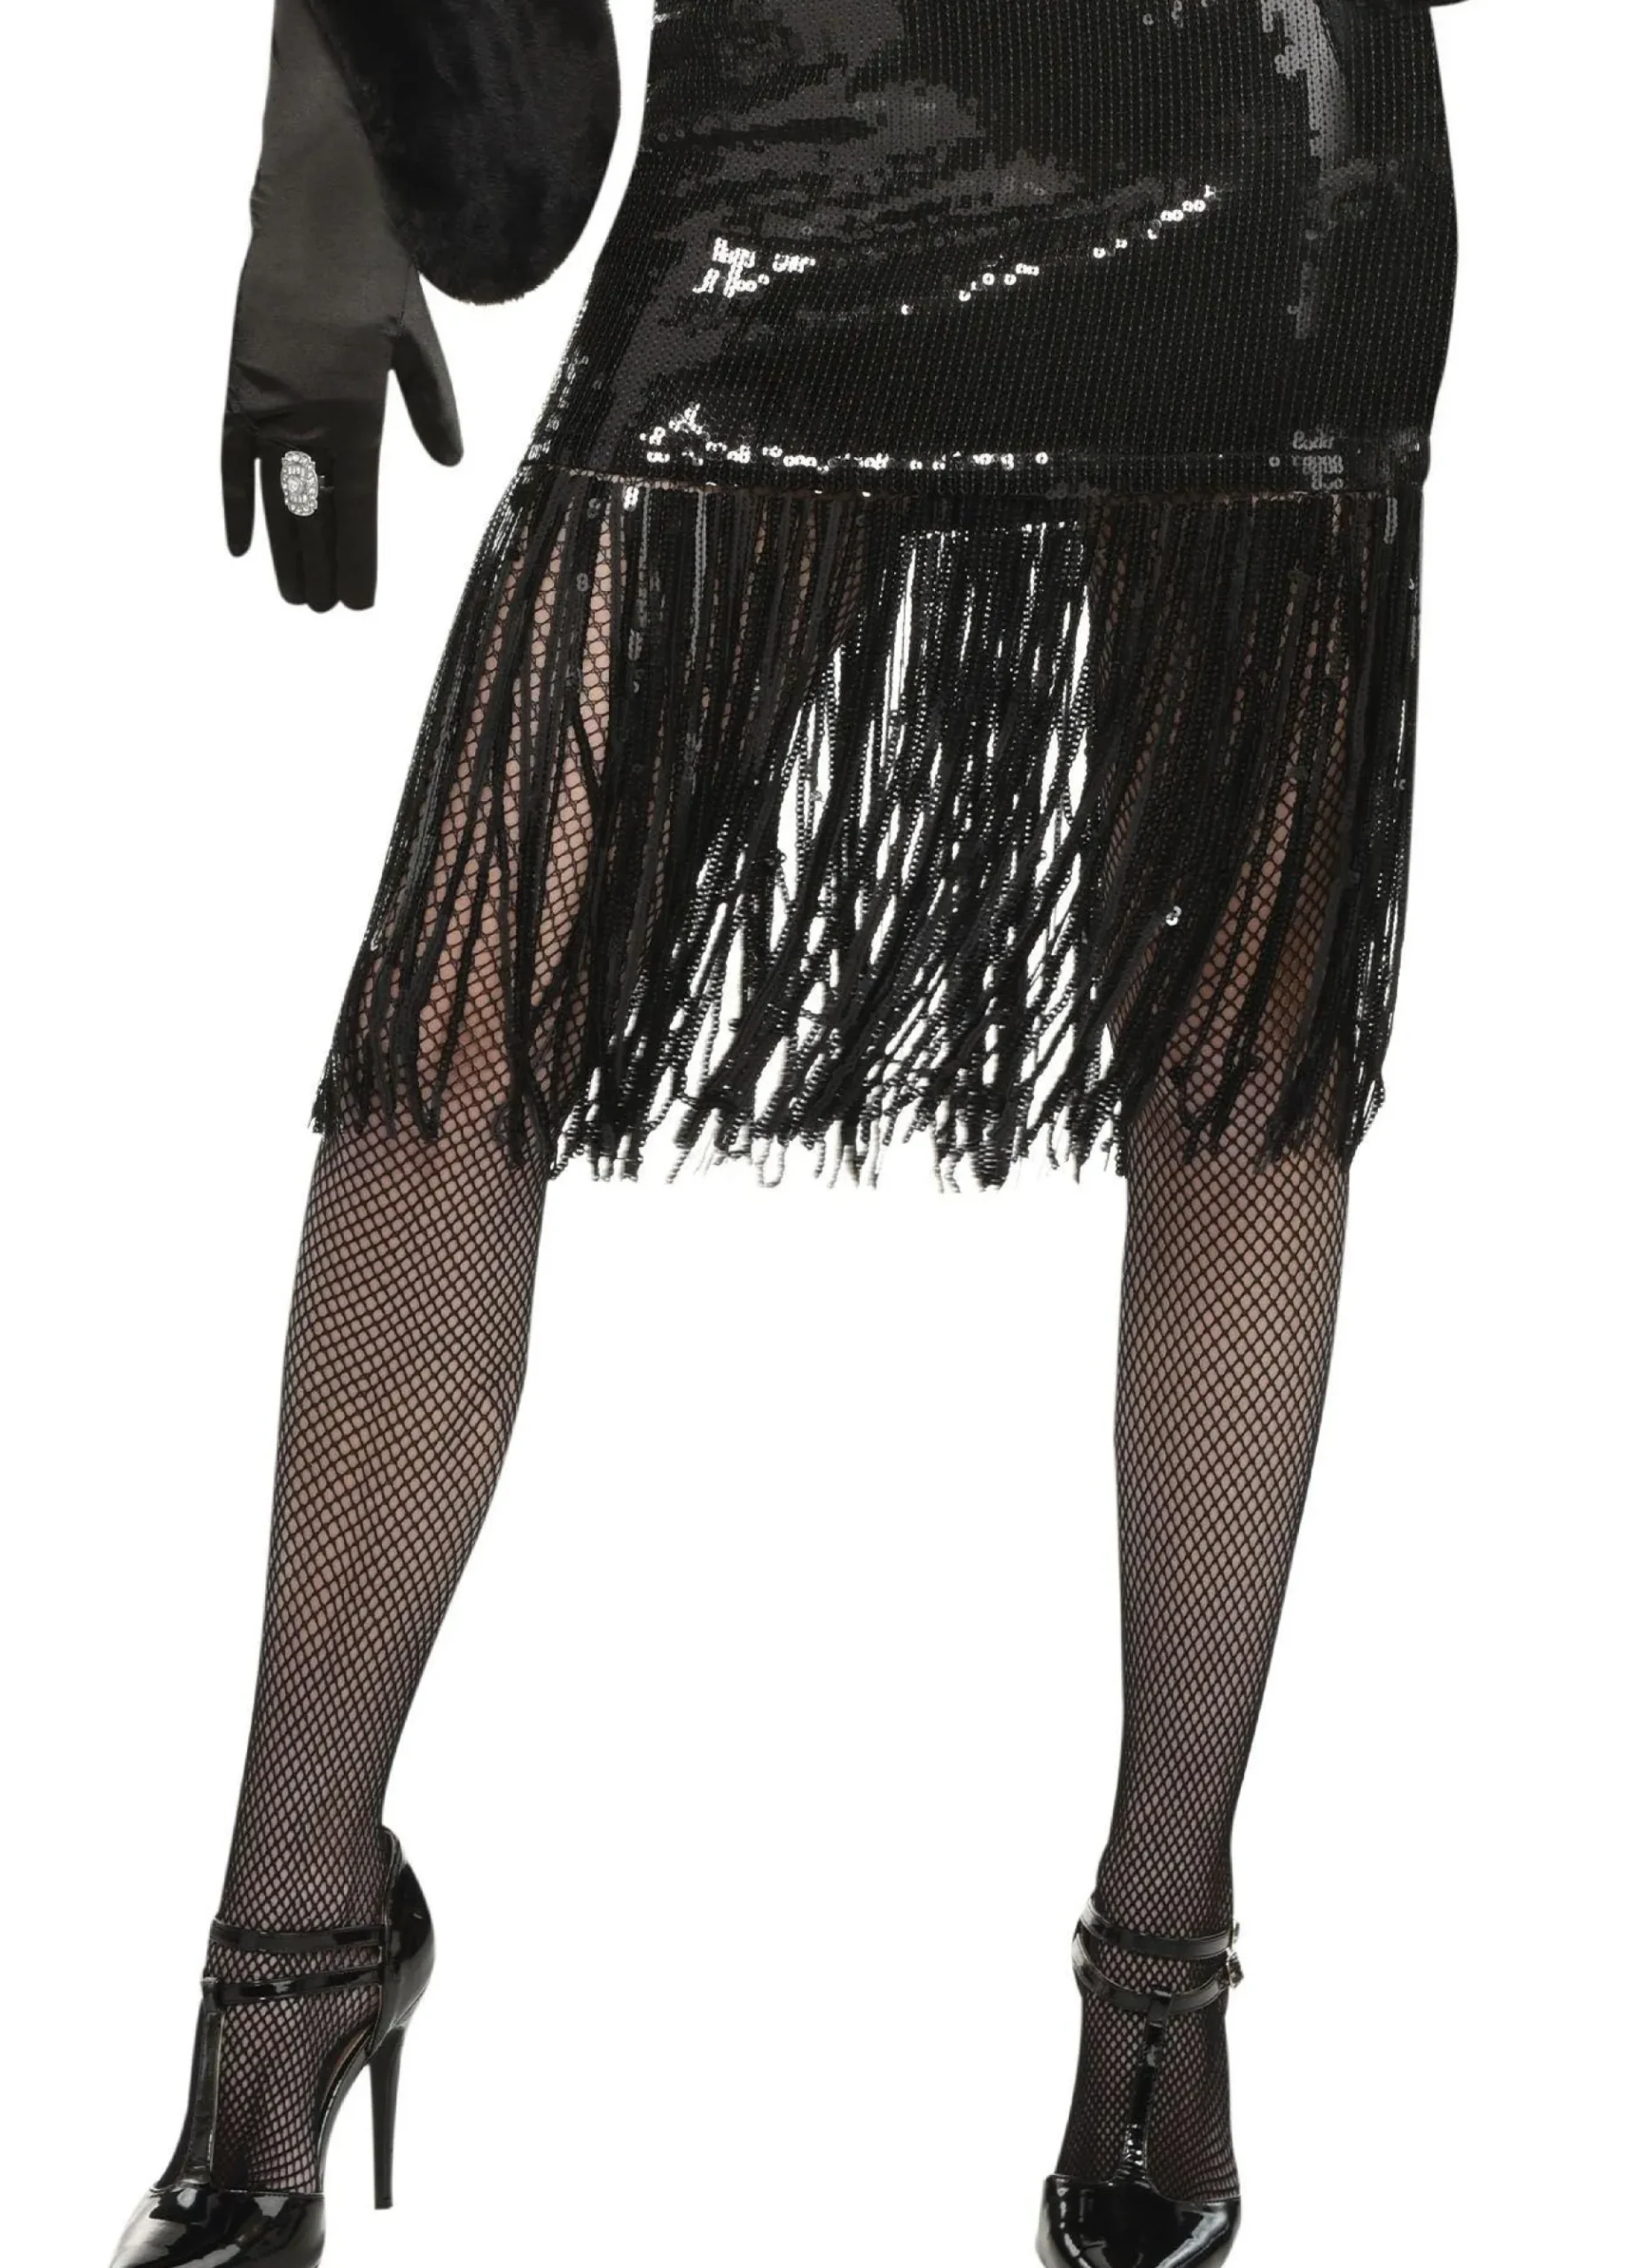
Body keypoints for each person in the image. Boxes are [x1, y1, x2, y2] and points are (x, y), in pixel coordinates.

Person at [107, 4, 1466, 2265]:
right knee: (459, 1031)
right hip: (792, 136)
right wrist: (325, 228)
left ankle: (1160, 1973)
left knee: (1240, 1073)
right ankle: (292, 1951)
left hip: (1256, 159)